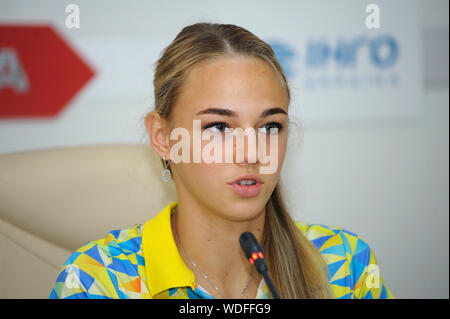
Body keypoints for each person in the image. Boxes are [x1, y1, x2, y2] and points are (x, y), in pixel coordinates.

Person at [49, 22, 394, 299]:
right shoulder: (97, 281)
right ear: (162, 137)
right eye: (219, 126)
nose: (252, 153)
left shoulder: (346, 266)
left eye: (270, 126)